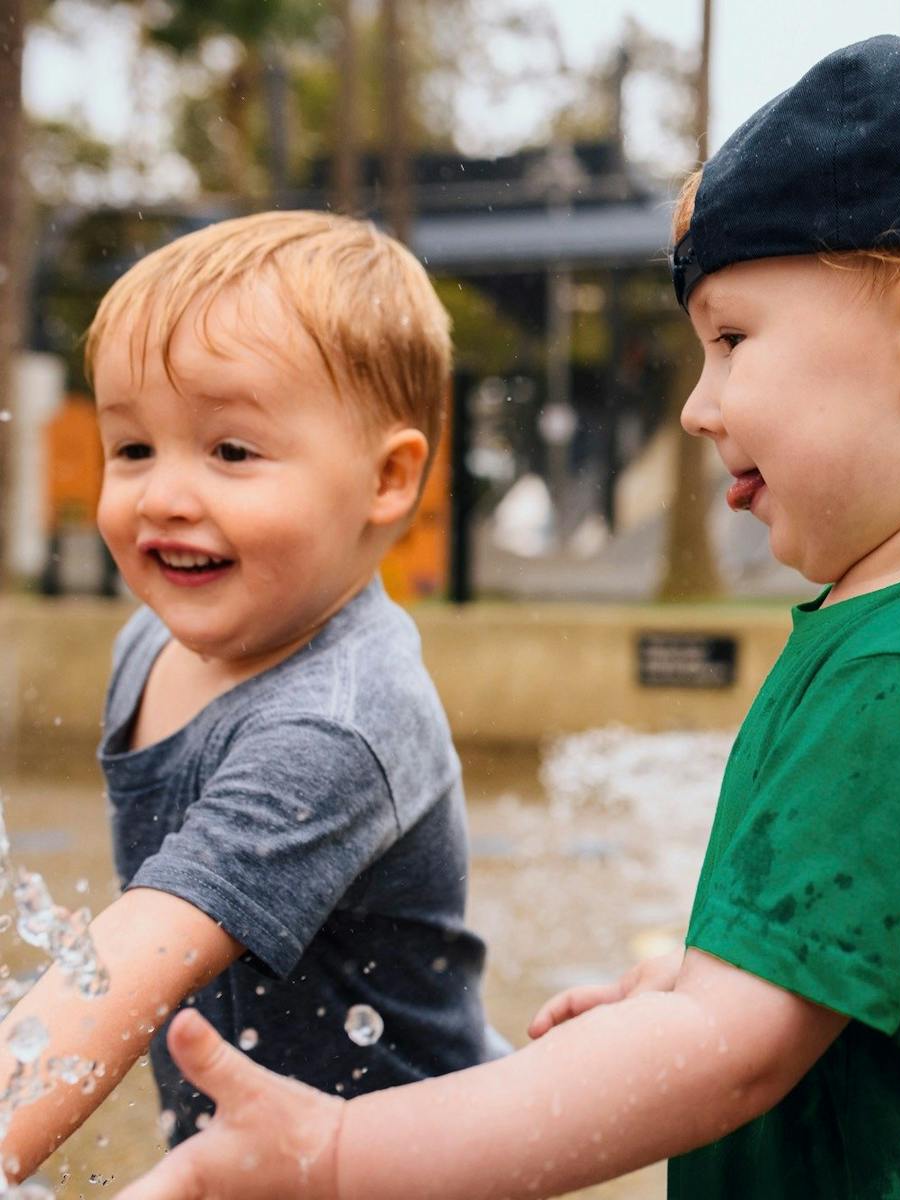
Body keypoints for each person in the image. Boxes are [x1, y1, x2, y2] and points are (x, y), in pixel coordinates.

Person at [119, 35, 900, 1200]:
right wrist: (704, 980)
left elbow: (733, 1052)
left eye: (731, 341)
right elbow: (828, 986)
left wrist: (334, 1155)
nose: (700, 409)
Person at [0, 211, 495, 1178]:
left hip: (404, 1178)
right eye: (133, 449)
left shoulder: (335, 724)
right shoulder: (155, 636)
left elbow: (130, 960)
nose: (163, 496)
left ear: (387, 480)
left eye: (231, 452)